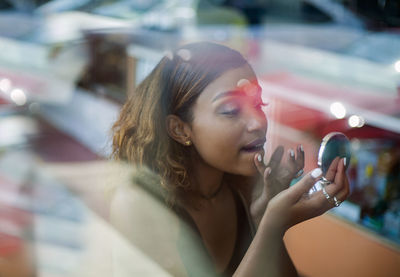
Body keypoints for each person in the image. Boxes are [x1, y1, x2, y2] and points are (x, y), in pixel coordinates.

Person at [110, 42, 350, 276]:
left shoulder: (245, 186)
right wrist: (271, 228)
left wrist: (264, 218)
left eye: (258, 103)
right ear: (180, 129)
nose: (258, 122)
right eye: (230, 110)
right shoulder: (137, 205)